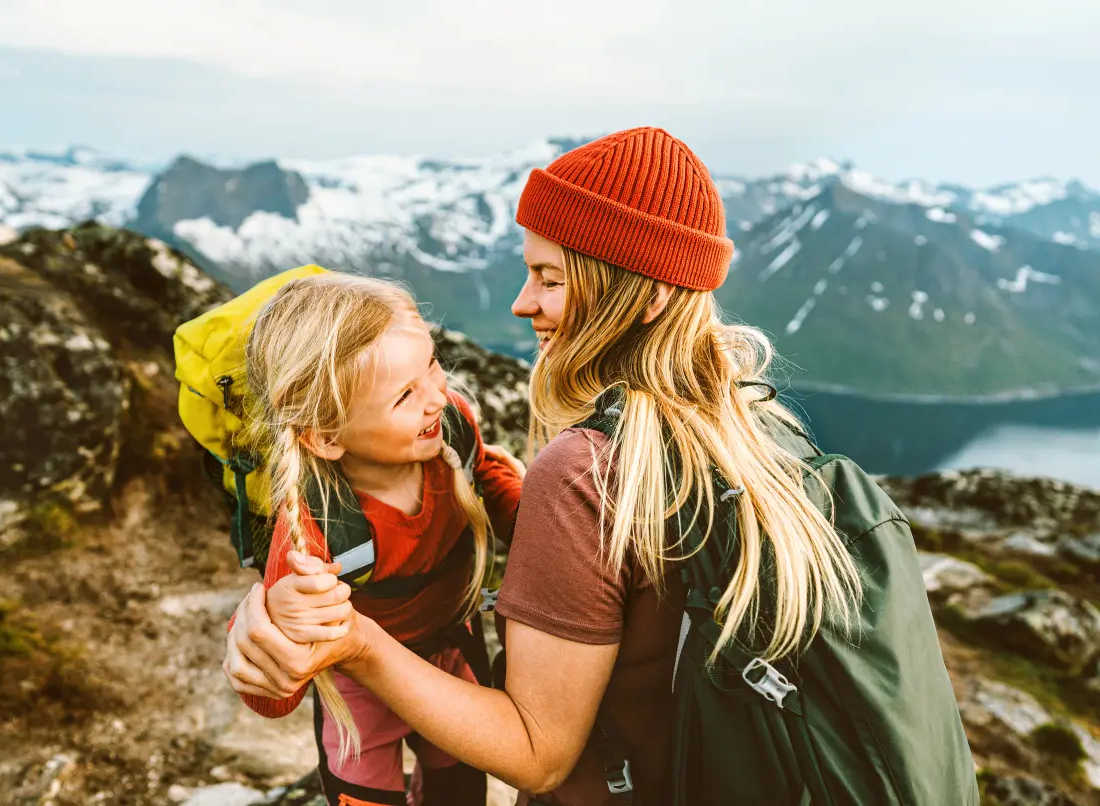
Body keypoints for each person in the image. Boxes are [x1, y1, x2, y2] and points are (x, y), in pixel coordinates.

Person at [224, 127, 977, 805]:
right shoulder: (750, 423)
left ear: (644, 298)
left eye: (550, 278)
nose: (522, 303)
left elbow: (536, 754)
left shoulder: (586, 472)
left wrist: (356, 643)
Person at [225, 271, 523, 806]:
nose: (438, 396)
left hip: (449, 656)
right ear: (327, 436)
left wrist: (537, 519)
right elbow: (273, 698)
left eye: (431, 364)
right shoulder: (314, 529)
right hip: (359, 690)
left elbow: (486, 475)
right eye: (404, 395)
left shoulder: (451, 431)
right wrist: (284, 627)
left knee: (459, 791)